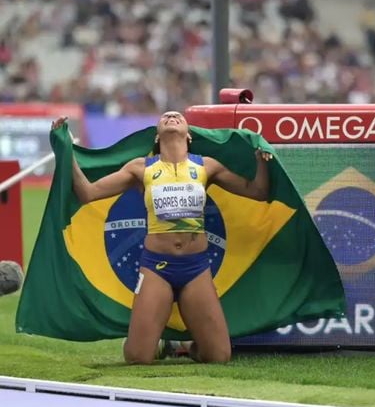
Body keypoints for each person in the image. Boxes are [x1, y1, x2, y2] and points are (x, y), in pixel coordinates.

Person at [51, 111, 272, 364]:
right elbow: (88, 193)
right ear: (157, 136)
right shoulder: (141, 168)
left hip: (196, 267)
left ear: (188, 135)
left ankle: (184, 346)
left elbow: (258, 191)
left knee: (219, 357)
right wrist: (65, 149)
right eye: (166, 116)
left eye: (178, 116)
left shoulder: (206, 166)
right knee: (138, 358)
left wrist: (262, 159)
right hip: (157, 268)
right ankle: (158, 342)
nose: (172, 115)